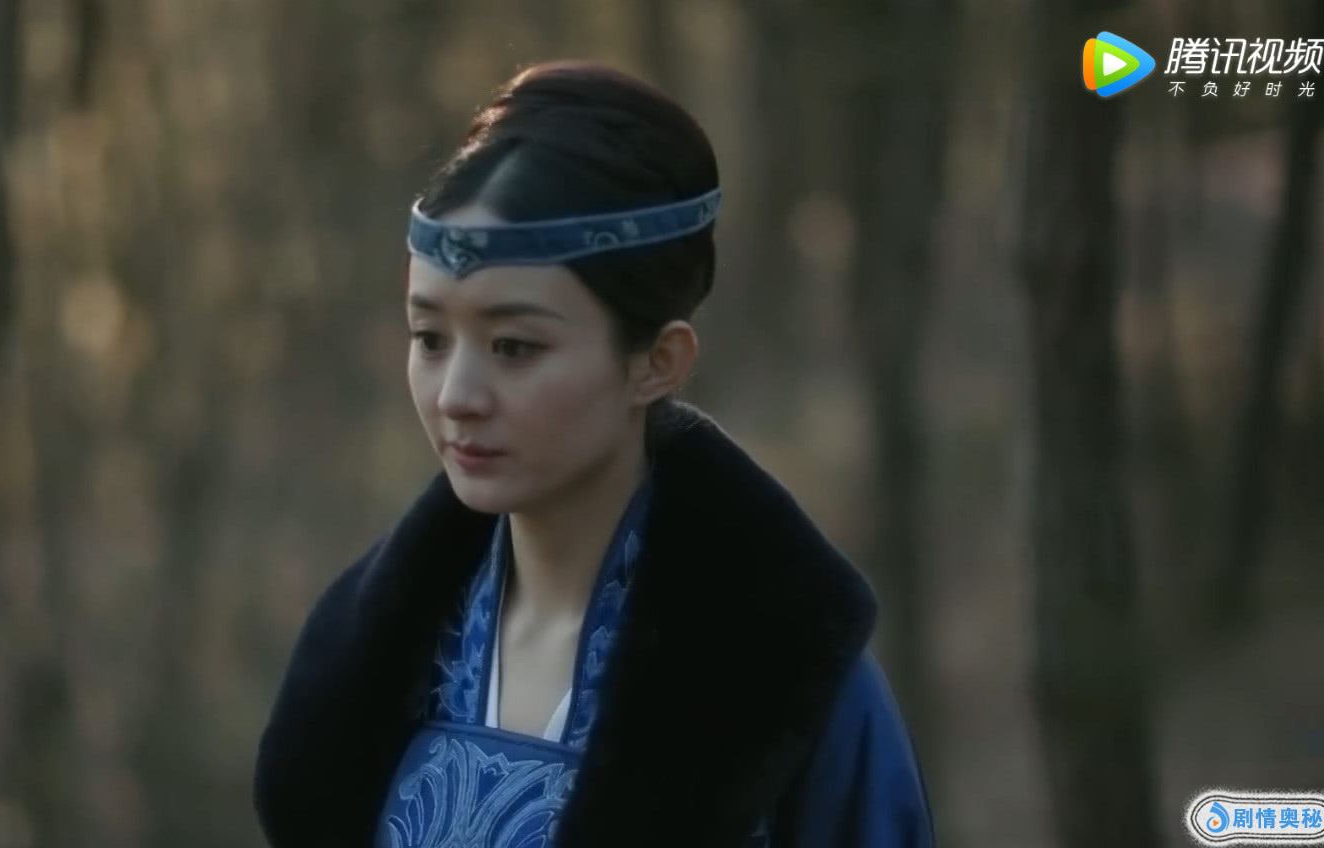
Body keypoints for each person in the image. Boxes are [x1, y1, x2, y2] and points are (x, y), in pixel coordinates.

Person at [254, 59, 936, 847]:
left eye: (514, 346)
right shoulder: (365, 661)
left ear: (657, 363)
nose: (456, 396)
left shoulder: (786, 679)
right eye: (430, 339)